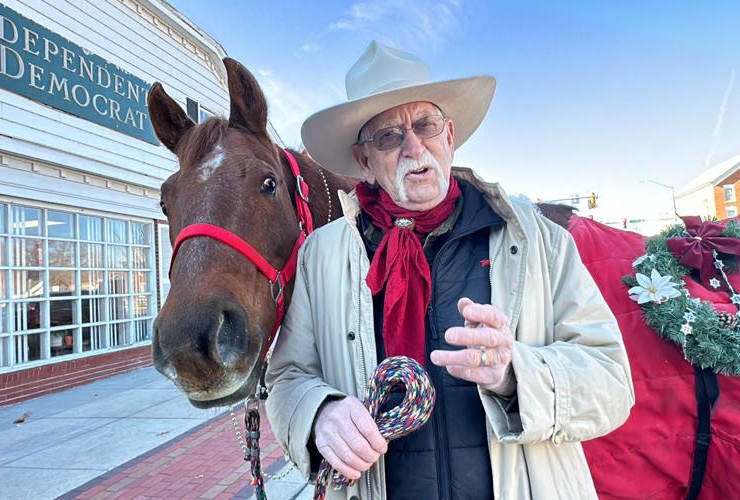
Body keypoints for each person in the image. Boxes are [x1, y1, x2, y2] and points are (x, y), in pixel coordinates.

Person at [265, 41, 634, 499]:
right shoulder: (321, 255)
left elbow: (611, 380)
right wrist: (319, 414)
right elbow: (287, 378)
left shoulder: (540, 242)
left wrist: (515, 374)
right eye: (389, 137)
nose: (413, 146)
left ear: (450, 137)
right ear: (364, 162)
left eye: (425, 126)